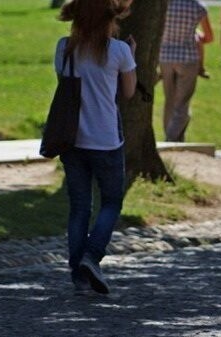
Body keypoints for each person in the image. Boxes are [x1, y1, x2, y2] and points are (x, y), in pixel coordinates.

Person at [55, 0, 137, 295]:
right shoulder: (119, 51)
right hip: (106, 139)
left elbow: (65, 87)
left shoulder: (64, 48)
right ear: (109, 20)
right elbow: (127, 92)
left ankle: (78, 273)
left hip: (72, 138)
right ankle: (92, 256)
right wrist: (132, 57)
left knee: (79, 207)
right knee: (112, 201)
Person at [159, 0, 214, 142]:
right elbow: (208, 37)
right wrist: (195, 35)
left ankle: (174, 139)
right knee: (182, 104)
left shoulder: (163, 4)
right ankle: (171, 139)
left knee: (169, 101)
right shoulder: (198, 6)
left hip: (165, 57)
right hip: (188, 57)